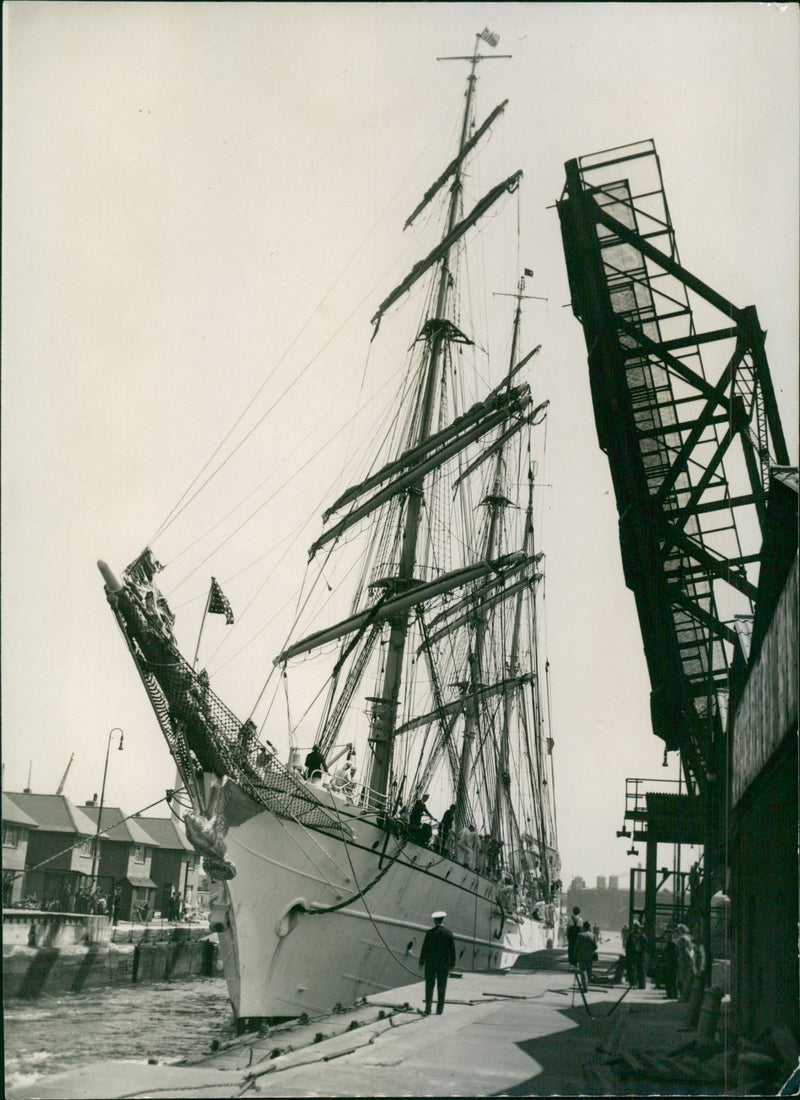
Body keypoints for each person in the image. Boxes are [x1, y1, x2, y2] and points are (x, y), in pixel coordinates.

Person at [419, 910, 456, 1015]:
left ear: (435, 921)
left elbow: (425, 948)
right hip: (444, 964)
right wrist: (452, 963)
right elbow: (452, 950)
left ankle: (428, 1009)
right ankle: (439, 1010)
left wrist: (421, 961)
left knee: (429, 986)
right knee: (442, 986)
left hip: (430, 963)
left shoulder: (430, 933)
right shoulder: (448, 934)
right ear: (443, 920)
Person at [575, 920, 597, 992]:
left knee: (583, 971)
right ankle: (588, 984)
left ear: (583, 927)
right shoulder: (593, 935)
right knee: (589, 971)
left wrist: (575, 955)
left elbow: (577, 946)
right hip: (590, 955)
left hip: (581, 955)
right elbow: (595, 946)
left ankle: (585, 987)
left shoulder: (580, 935)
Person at [676, 923, 695, 1001]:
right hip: (689, 960)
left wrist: (688, 959)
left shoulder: (682, 939)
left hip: (684, 961)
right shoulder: (689, 937)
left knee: (683, 979)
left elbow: (685, 950)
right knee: (688, 979)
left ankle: (684, 997)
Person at [625, 919, 646, 989]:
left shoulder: (641, 936)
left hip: (638, 953)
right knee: (634, 969)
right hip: (634, 953)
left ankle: (639, 984)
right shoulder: (633, 936)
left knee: (639, 969)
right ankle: (634, 983)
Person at [661, 927, 679, 999]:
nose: (667, 936)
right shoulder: (670, 943)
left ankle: (671, 995)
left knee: (670, 980)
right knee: (671, 980)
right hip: (670, 964)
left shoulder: (672, 943)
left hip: (671, 965)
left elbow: (672, 955)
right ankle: (672, 995)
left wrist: (667, 963)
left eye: (669, 935)